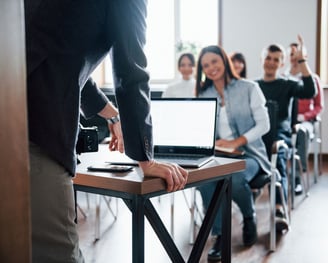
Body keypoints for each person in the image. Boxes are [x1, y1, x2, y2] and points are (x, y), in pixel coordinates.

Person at [25, 1, 188, 262]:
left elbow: (63, 58)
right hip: (29, 128)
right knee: (57, 253)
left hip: (19, 110)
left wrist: (113, 115)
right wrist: (146, 160)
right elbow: (131, 71)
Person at [195, 45, 271, 262]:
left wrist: (237, 142)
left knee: (235, 178)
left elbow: (264, 124)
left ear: (224, 61)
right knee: (204, 181)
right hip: (218, 155)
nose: (211, 68)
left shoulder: (249, 87)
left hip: (250, 154)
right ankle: (219, 234)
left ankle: (249, 216)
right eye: (205, 65)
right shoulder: (204, 93)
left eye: (214, 62)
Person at [255, 35, 316, 231]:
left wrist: (302, 61)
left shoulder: (287, 85)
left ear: (281, 64)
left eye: (276, 60)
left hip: (278, 138)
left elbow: (309, 91)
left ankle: (280, 209)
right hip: (256, 139)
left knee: (277, 154)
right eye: (268, 58)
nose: (271, 63)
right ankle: (248, 211)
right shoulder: (253, 87)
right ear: (262, 59)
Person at [284, 42, 324, 194]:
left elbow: (319, 106)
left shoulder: (312, 79)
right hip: (286, 122)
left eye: (298, 54)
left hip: (305, 122)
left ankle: (297, 178)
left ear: (304, 57)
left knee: (301, 133)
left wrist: (304, 116)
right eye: (292, 54)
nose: (295, 58)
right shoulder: (283, 78)